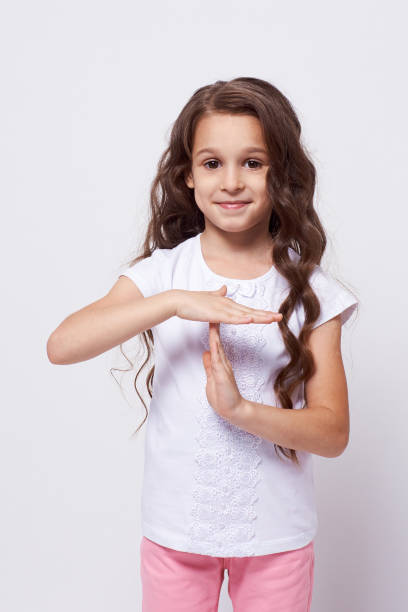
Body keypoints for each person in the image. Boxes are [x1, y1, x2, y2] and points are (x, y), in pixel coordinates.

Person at [47, 77, 359, 611]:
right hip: (175, 535)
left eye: (253, 162)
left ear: (280, 172)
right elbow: (62, 344)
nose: (232, 181)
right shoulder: (164, 272)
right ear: (188, 175)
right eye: (213, 163)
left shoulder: (313, 293)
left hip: (275, 540)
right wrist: (173, 301)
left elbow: (332, 434)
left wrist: (241, 411)